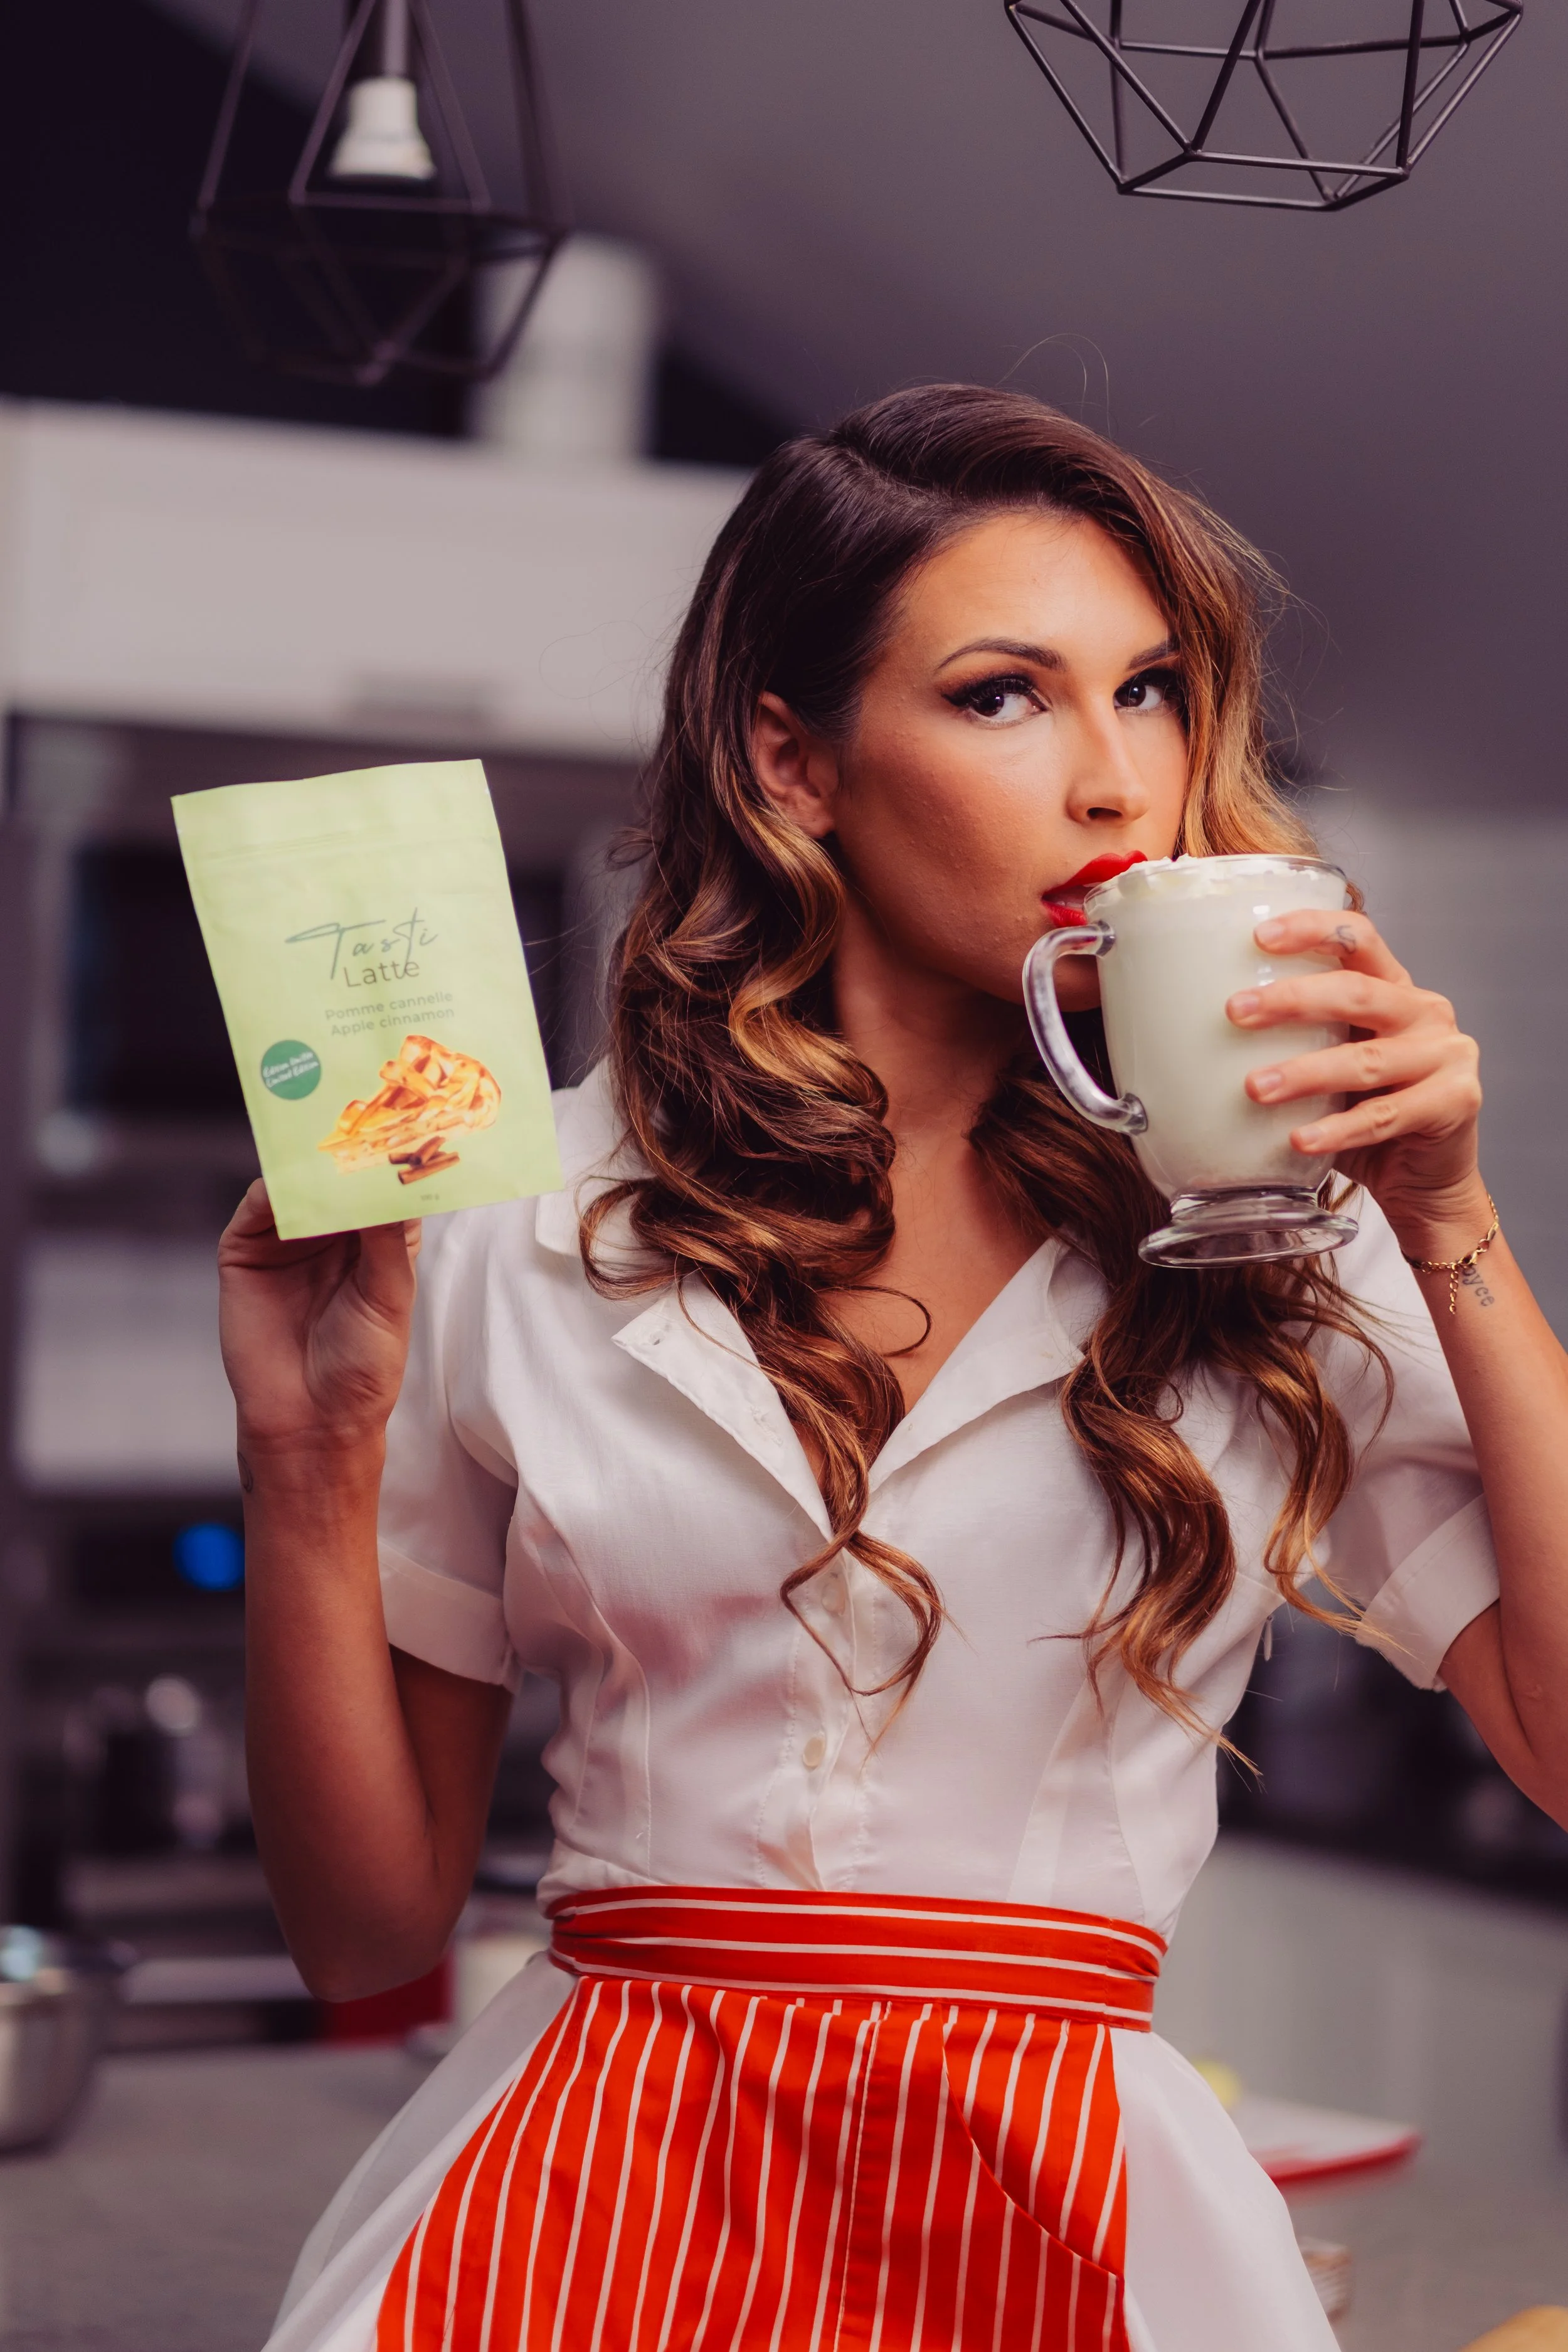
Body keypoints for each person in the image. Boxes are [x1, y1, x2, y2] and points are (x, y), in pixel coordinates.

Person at [224, 385, 1568, 2352]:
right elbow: (361, 1931)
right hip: (579, 2208)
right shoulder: (512, 1216)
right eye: (1006, 695)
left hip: (1074, 2208)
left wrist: (1450, 1218)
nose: (1119, 785)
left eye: (1157, 692)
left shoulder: (1283, 1229)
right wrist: (305, 1445)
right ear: (794, 759)